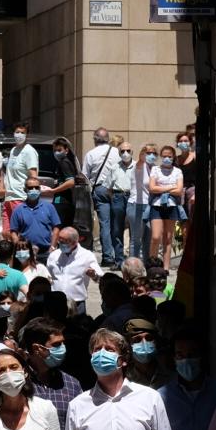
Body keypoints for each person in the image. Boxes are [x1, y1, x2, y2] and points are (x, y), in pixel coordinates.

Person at [84, 129, 130, 269]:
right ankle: (119, 256)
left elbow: (85, 175)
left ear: (95, 139)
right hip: (116, 190)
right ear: (107, 138)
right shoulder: (118, 152)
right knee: (117, 224)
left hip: (99, 189)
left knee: (105, 224)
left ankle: (107, 257)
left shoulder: (90, 154)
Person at [147, 144, 184, 267]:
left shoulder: (177, 171)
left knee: (168, 238)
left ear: (173, 157)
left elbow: (179, 191)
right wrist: (170, 187)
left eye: (169, 156)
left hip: (172, 206)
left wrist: (161, 188)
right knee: (156, 236)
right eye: (164, 156)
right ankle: (152, 264)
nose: (167, 158)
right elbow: (152, 188)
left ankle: (166, 267)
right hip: (157, 205)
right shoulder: (155, 170)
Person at [46, 225, 100, 308]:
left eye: (64, 242)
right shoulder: (53, 256)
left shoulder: (87, 255)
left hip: (77, 303)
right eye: (59, 241)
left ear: (74, 242)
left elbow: (101, 278)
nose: (60, 244)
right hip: (56, 302)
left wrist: (94, 275)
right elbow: (47, 276)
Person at [10, 176, 60, 260]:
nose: (34, 190)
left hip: (46, 252)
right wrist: (19, 247)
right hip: (26, 253)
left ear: (40, 189)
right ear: (25, 190)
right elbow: (13, 231)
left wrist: (53, 247)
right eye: (30, 188)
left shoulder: (49, 207)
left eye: (36, 187)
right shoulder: (18, 209)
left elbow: (56, 227)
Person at [1, 123, 39, 219]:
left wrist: (32, 198)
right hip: (9, 197)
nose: (19, 135)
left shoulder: (29, 151)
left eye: (22, 132)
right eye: (17, 132)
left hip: (20, 197)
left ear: (27, 135)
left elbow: (33, 176)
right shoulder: (13, 150)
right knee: (6, 233)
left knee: (19, 231)